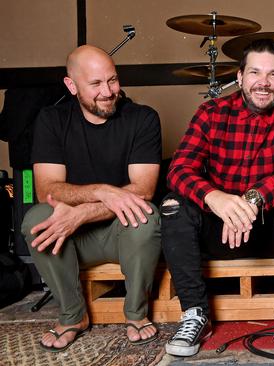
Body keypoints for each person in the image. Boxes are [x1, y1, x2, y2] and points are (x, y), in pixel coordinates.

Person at [161, 39, 274, 357]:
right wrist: (214, 198)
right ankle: (195, 313)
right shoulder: (211, 111)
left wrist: (255, 198)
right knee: (172, 205)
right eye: (255, 73)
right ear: (239, 77)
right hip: (218, 232)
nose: (264, 82)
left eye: (273, 74)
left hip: (272, 233)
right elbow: (178, 169)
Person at [21, 45, 162, 352]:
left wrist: (83, 212)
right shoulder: (51, 120)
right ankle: (72, 316)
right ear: (71, 86)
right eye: (95, 84)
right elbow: (46, 188)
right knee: (34, 219)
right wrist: (102, 191)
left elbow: (143, 189)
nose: (108, 91)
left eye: (112, 80)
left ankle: (137, 314)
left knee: (146, 214)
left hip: (120, 233)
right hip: (71, 238)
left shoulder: (143, 118)